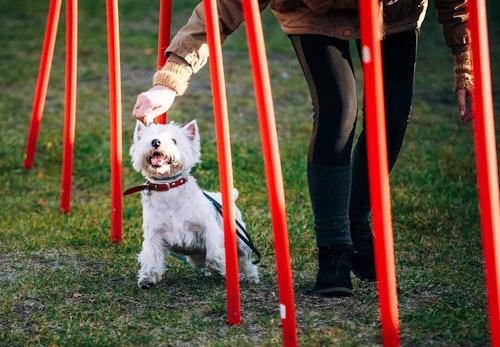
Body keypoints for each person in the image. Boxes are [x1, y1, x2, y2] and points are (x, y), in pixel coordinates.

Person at [132, 0, 473, 297]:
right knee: (338, 110)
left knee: (392, 117)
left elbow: (459, 4)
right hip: (314, 12)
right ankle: (334, 247)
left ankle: (356, 219)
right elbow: (221, 8)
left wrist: (465, 60)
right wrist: (170, 80)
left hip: (396, 12)